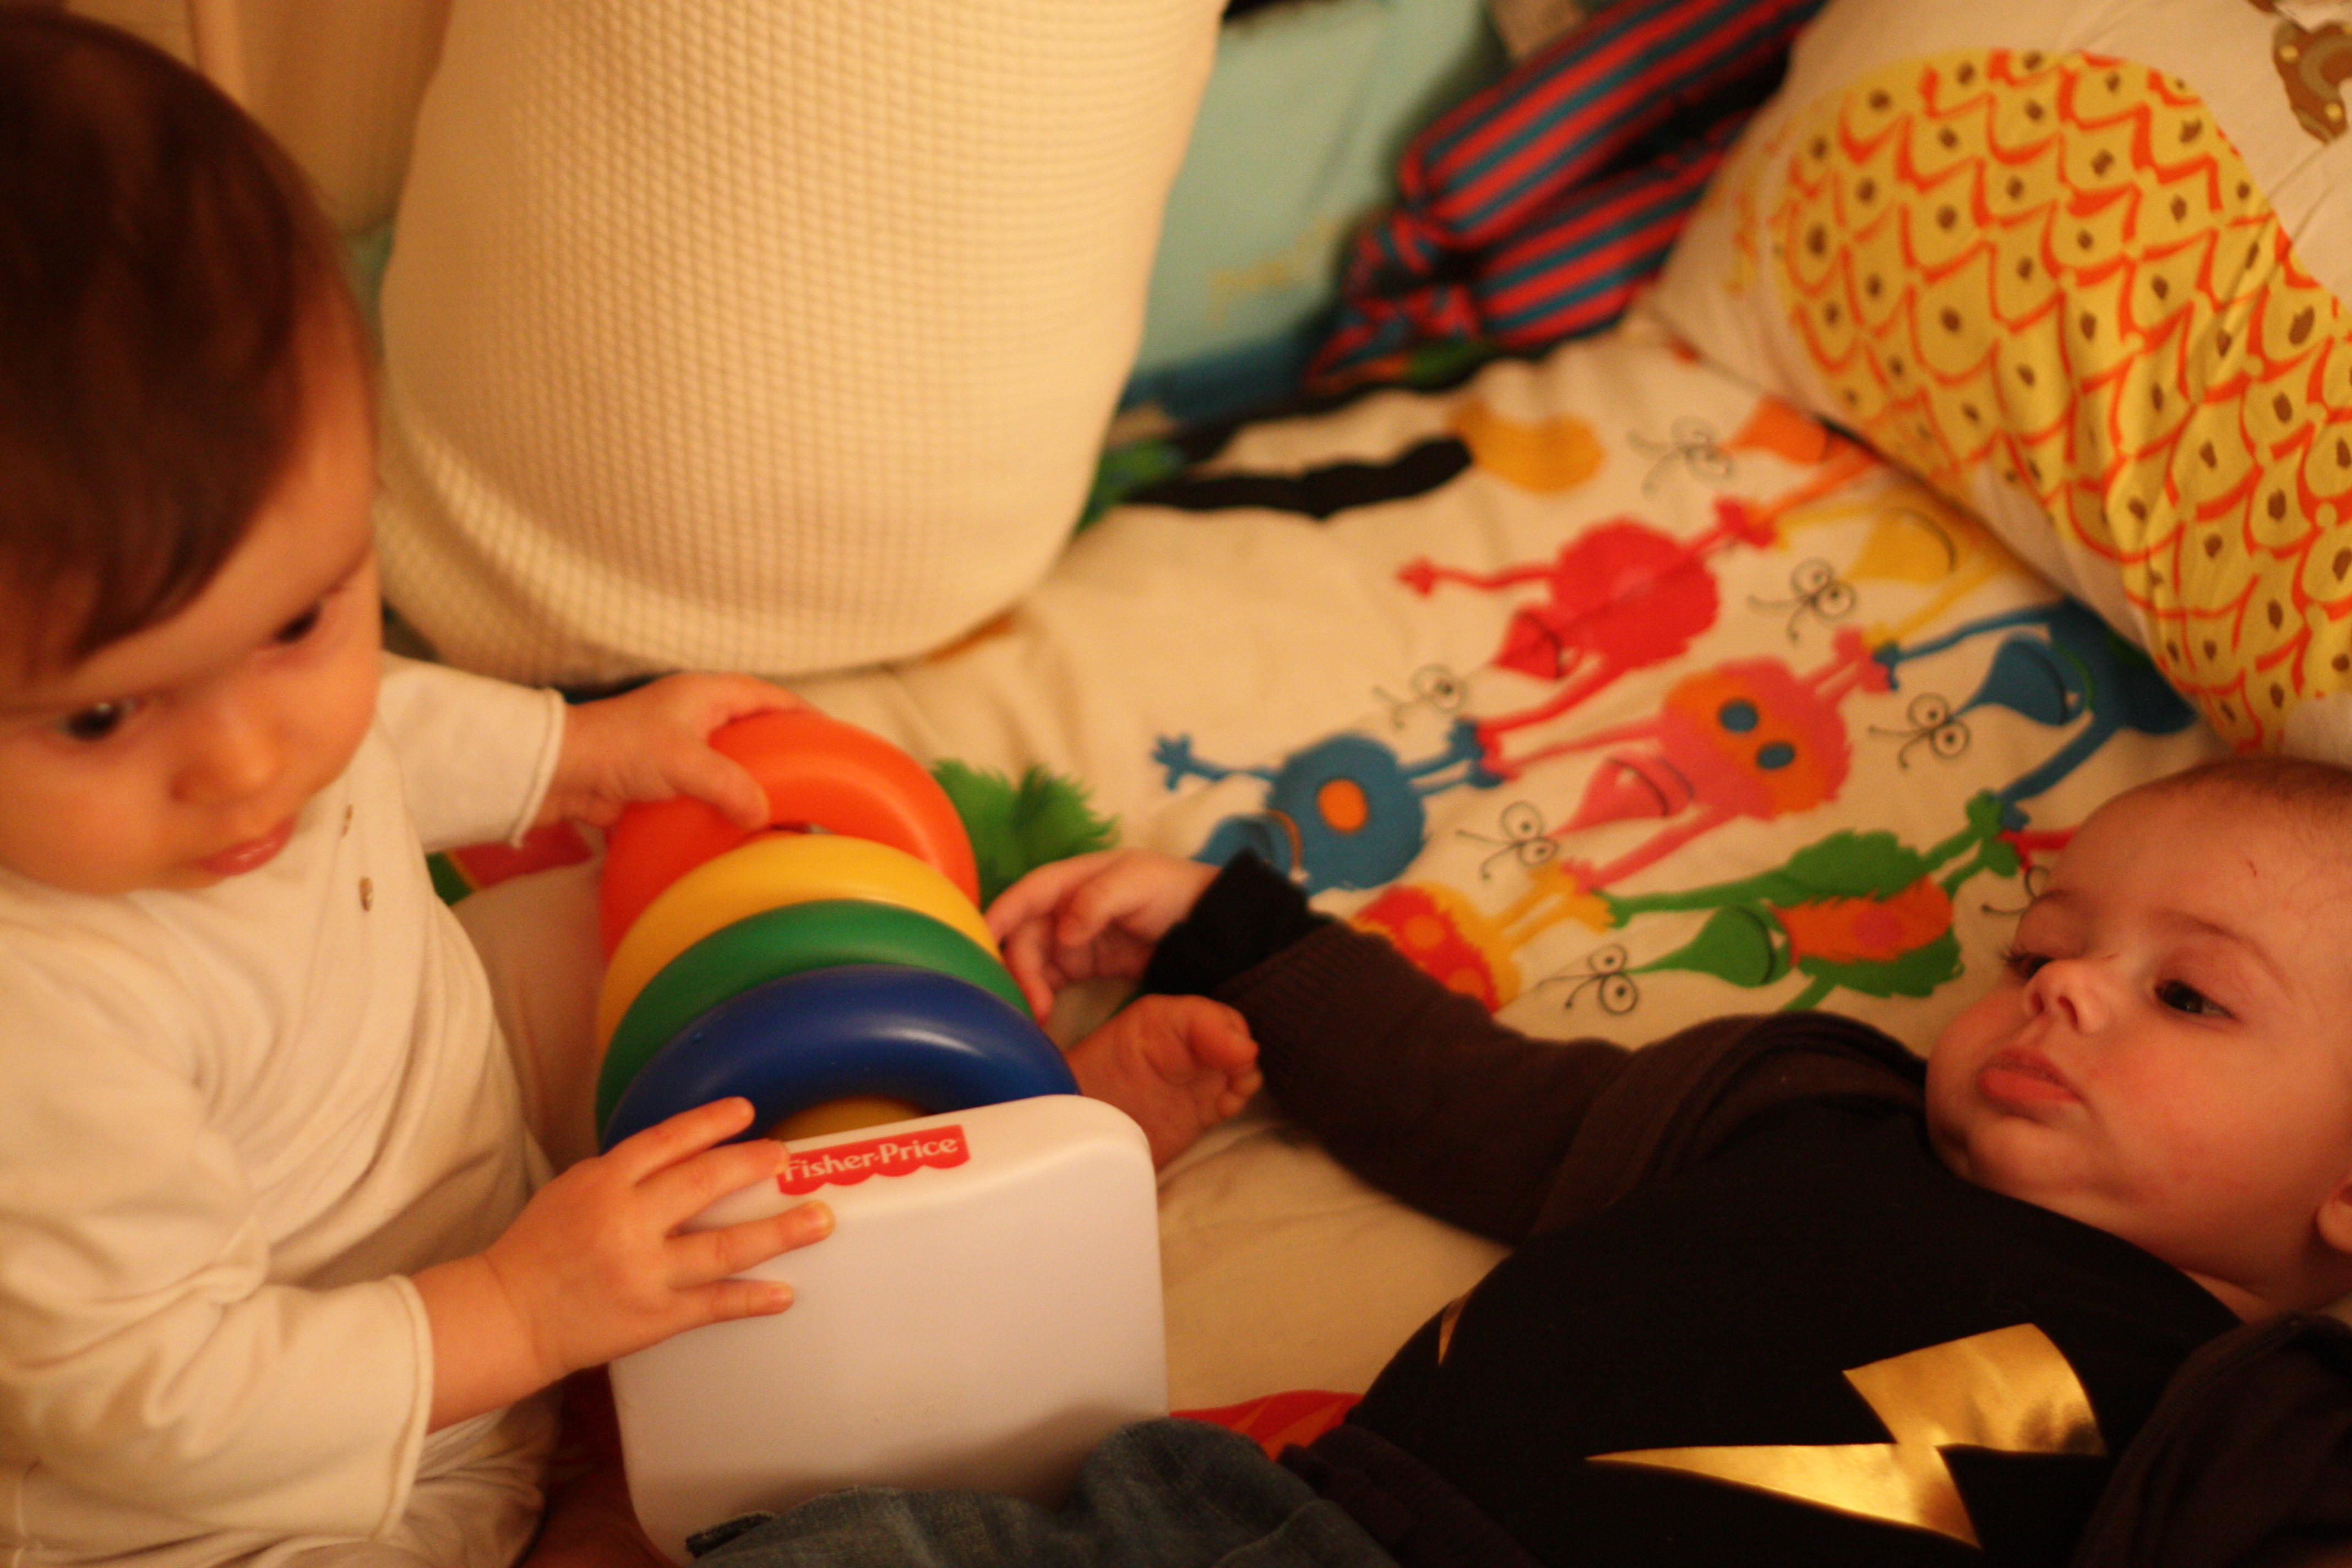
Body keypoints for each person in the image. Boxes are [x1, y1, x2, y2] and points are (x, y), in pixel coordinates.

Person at [690, 755, 2352, 1567]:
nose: (2062, 987)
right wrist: (1234, 937)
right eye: (2038, 948)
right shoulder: (1803, 1110)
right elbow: (1471, 1101)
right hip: (1299, 1536)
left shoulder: (2250, 1420)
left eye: (2190, 995)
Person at [0, 14, 834, 1567]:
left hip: (446, 1156)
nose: (253, 762)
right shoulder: (37, 1035)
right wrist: (516, 1314)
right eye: (103, 714)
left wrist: (573, 753)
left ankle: (995, 1129)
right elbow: (154, 1405)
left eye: (301, 622)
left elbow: (377, 724)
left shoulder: (239, 731)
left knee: (676, 940)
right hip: (263, 1497)